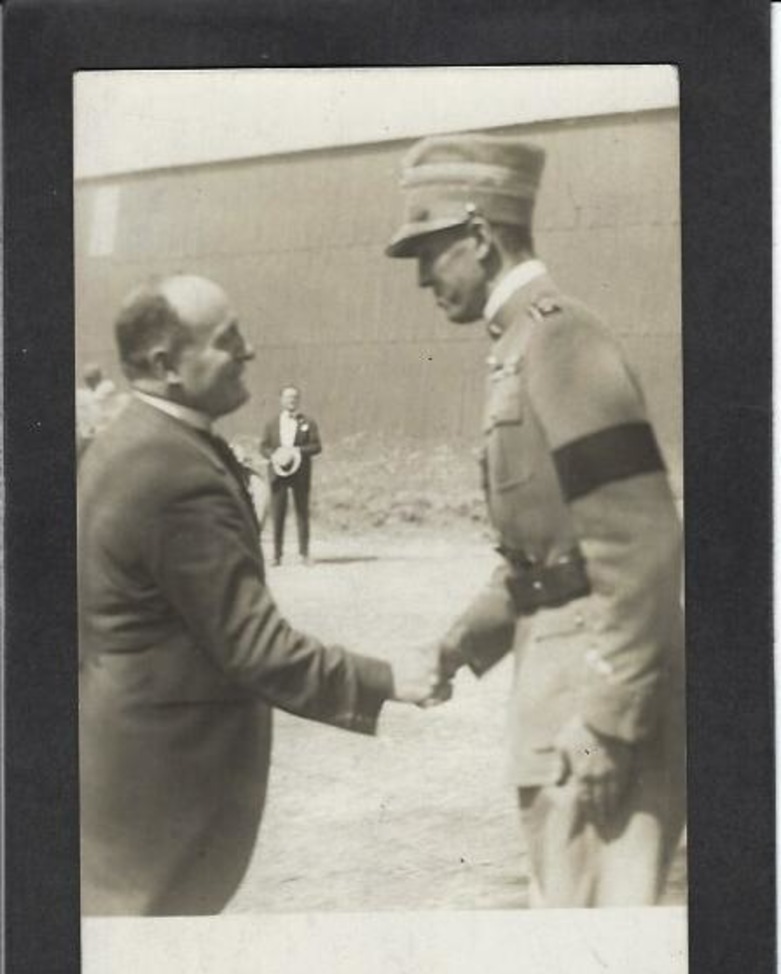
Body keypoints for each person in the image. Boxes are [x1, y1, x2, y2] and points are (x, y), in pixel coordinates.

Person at [78, 274, 441, 916]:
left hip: (130, 779)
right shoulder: (171, 471)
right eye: (228, 339)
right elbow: (253, 645)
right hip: (161, 801)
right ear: (167, 365)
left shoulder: (140, 442)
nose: (248, 352)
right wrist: (388, 679)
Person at [386, 133, 685, 908]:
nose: (421, 275)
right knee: (566, 898)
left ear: (480, 238)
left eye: (431, 249)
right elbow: (544, 555)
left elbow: (640, 541)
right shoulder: (520, 345)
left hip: (587, 703)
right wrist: (458, 643)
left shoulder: (561, 339)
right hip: (556, 687)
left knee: (591, 930)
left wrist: (610, 724)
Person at [260, 386, 321, 565]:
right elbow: (263, 447)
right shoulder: (271, 423)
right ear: (281, 400)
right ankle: (276, 555)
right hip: (278, 474)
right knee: (277, 513)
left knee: (302, 512)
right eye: (288, 397)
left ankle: (304, 554)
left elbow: (317, 446)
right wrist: (275, 455)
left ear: (299, 400)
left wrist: (296, 451)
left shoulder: (308, 422)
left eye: (294, 397)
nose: (291, 400)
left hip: (300, 473)